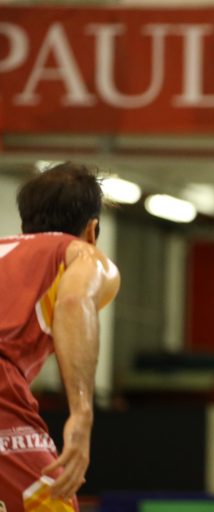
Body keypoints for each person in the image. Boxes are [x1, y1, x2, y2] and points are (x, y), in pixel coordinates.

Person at [0, 163, 120, 511]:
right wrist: (82, 413)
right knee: (53, 501)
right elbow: (74, 301)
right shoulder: (81, 254)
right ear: (92, 229)